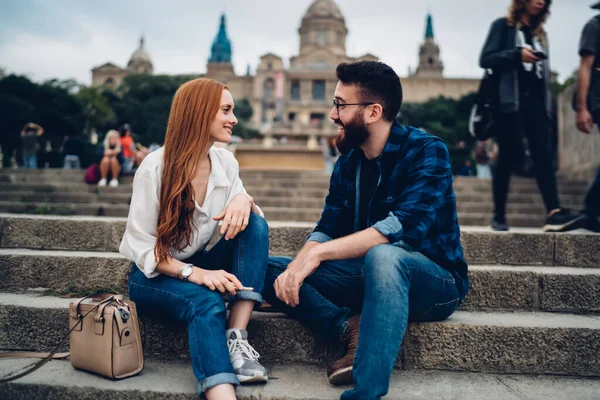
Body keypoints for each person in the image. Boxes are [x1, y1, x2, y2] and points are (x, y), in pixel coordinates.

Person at [263, 61, 469, 400]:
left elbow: (401, 228)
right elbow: (328, 227)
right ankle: (348, 325)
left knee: (385, 255)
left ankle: (366, 392)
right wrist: (299, 264)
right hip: (367, 277)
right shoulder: (348, 162)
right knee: (262, 266)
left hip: (434, 281)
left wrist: (317, 254)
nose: (332, 114)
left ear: (373, 112)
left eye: (341, 105)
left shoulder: (427, 150)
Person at [119, 78, 269, 400]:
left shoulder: (226, 162)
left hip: (199, 258)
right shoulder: (154, 167)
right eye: (226, 110)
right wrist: (196, 274)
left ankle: (237, 336)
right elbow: (142, 247)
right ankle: (220, 390)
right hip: (155, 273)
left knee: (255, 225)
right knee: (207, 299)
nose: (234, 119)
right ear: (200, 113)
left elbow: (247, 223)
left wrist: (244, 199)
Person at [480, 0, 580, 231]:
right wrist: (517, 55)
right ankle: (499, 215)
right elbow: (486, 59)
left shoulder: (540, 34)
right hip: (509, 100)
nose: (541, 1)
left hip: (536, 102)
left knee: (543, 154)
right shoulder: (503, 26)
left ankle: (553, 211)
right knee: (507, 154)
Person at [569, 0, 600, 233]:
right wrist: (582, 107)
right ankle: (590, 209)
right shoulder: (594, 26)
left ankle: (591, 211)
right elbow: (585, 67)